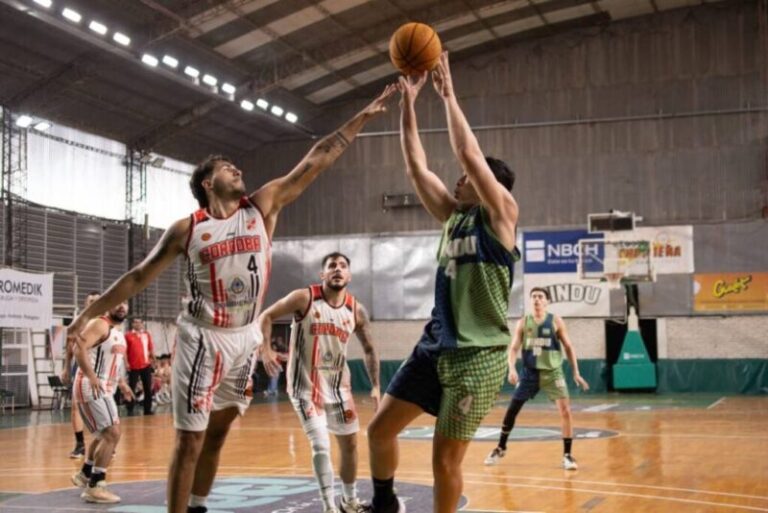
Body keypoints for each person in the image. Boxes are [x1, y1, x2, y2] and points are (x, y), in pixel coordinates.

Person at [66, 84, 396, 513]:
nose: (237, 170)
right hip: (202, 337)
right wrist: (83, 315)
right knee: (190, 439)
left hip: (242, 340)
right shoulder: (188, 229)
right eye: (227, 167)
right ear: (208, 183)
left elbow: (315, 161)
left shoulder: (261, 208)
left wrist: (363, 117)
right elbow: (137, 276)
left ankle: (198, 505)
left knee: (218, 434)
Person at [365, 52, 520, 513]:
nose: (457, 180)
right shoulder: (454, 217)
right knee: (379, 431)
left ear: (489, 183)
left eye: (467, 179)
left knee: (443, 461)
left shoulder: (502, 216)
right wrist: (409, 104)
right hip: (436, 346)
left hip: (479, 356)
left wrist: (448, 96)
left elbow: (468, 155)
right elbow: (416, 167)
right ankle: (384, 503)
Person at [259, 252, 380, 513]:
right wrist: (266, 349)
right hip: (305, 388)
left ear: (349, 275)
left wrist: (375, 385)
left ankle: (349, 502)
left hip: (339, 390)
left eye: (343, 266)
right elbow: (266, 316)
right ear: (322, 275)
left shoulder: (356, 310)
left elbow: (370, 349)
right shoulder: (304, 298)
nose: (338, 269)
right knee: (321, 444)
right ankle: (329, 507)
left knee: (350, 445)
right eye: (332, 266)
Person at [484, 287, 590, 470]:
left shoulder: (556, 321)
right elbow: (514, 348)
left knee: (565, 411)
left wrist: (576, 372)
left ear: (547, 301)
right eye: (533, 297)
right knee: (512, 409)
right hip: (529, 373)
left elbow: (569, 347)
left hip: (553, 372)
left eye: (540, 297)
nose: (537, 300)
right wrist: (511, 368)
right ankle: (500, 447)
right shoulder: (524, 322)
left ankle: (567, 455)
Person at [70, 301, 134, 504]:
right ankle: (96, 485)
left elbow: (114, 362)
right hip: (93, 385)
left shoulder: (118, 332)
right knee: (112, 433)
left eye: (125, 303)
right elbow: (78, 347)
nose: (121, 306)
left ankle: (85, 473)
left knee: (102, 434)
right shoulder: (100, 324)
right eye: (117, 302)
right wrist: (91, 376)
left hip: (107, 387)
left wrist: (123, 383)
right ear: (108, 306)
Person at [61, 290, 101, 458]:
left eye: (96, 300)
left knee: (101, 406)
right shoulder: (80, 322)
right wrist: (66, 366)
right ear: (86, 303)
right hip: (81, 366)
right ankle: (79, 445)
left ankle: (105, 441)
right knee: (76, 407)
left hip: (100, 368)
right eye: (90, 300)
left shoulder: (105, 322)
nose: (92, 303)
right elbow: (70, 346)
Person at [125, 318, 155, 415]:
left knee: (147, 388)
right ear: (132, 324)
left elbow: (151, 349)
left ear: (143, 324)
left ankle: (148, 409)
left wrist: (154, 360)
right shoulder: (128, 335)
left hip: (146, 365)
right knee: (131, 387)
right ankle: (130, 408)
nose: (137, 324)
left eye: (139, 322)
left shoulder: (146, 334)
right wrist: (126, 363)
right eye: (135, 322)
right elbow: (125, 351)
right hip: (133, 366)